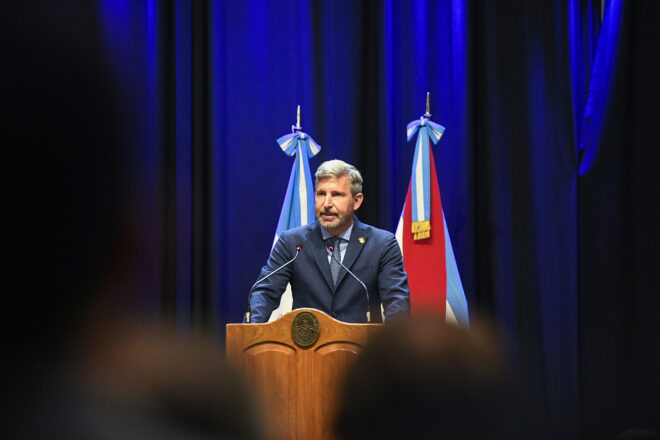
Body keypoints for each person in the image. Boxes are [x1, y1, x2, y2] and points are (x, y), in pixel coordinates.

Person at [248, 159, 410, 323]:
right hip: (308, 338)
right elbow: (264, 293)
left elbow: (397, 303)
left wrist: (393, 338)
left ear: (356, 201)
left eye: (336, 195)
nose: (326, 204)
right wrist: (250, 331)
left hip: (363, 339)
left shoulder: (382, 244)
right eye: (321, 194)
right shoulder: (292, 243)